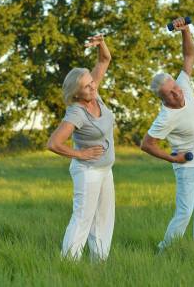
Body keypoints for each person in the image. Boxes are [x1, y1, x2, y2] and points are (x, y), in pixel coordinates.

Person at [140, 17, 194, 252]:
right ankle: (165, 251)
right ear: (162, 99)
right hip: (187, 167)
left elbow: (189, 56)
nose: (177, 94)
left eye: (175, 88)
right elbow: (146, 144)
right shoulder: (165, 117)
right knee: (185, 212)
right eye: (170, 94)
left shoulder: (183, 84)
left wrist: (185, 31)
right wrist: (173, 159)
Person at [47, 34, 115, 261]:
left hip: (105, 169)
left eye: (92, 82)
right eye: (87, 86)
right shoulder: (77, 111)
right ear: (77, 93)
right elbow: (53, 143)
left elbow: (104, 60)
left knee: (104, 219)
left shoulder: (95, 92)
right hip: (88, 172)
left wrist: (100, 42)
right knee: (82, 219)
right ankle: (68, 264)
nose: (93, 86)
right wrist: (80, 153)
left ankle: (99, 264)